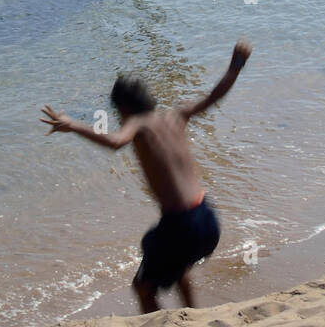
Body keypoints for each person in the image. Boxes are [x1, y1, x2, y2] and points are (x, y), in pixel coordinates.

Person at [41, 41, 252, 312]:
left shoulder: (137, 124)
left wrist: (74, 126)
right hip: (207, 219)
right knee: (178, 269)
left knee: (142, 287)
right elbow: (214, 96)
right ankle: (195, 317)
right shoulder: (176, 115)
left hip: (180, 226)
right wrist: (236, 66)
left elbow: (116, 142)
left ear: (124, 109)